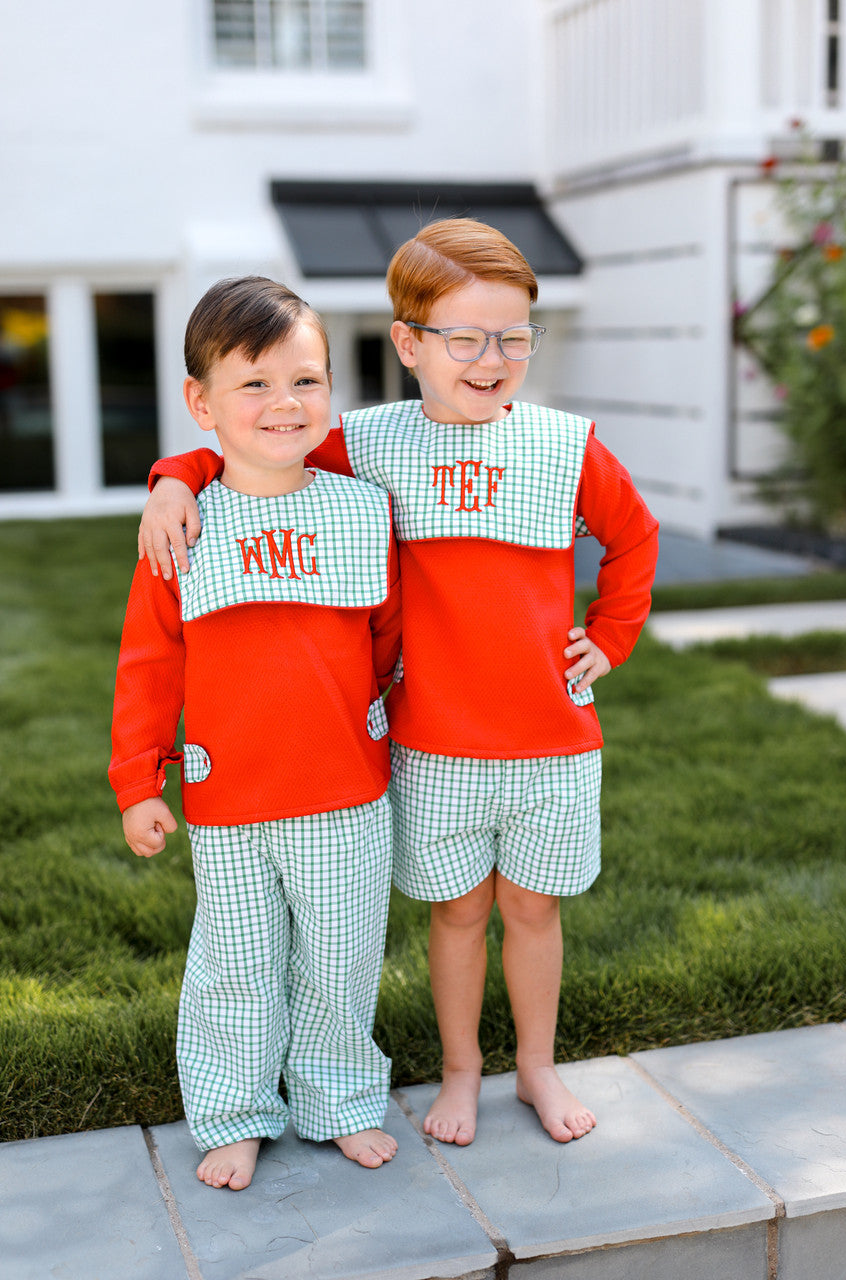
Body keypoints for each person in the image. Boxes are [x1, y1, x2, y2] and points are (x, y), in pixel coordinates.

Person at [137, 220, 659, 1150]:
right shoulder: (368, 443)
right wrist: (171, 478)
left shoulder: (564, 446)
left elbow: (634, 536)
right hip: (430, 738)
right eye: (466, 337)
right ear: (410, 345)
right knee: (457, 912)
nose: (492, 358)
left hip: (551, 738)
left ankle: (535, 1066)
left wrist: (610, 638)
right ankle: (460, 1071)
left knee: (532, 910)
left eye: (513, 337)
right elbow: (257, 447)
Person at [110, 276, 402, 1190]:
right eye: (254, 384)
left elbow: (388, 641)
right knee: (233, 966)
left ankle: (340, 1099)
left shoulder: (362, 509)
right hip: (230, 794)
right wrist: (137, 782)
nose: (285, 404)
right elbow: (148, 665)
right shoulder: (182, 527)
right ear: (200, 403)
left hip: (347, 791)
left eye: (306, 381)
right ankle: (235, 1109)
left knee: (342, 964)